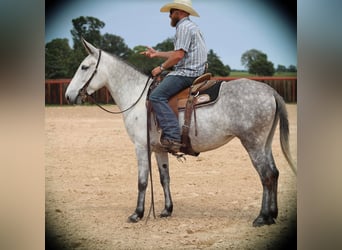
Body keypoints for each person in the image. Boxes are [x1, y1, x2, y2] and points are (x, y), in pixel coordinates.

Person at [141, 0, 207, 153]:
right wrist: (156, 54)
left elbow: (178, 56)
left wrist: (161, 67)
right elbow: (178, 52)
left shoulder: (183, 27)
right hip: (195, 70)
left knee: (156, 96)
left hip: (187, 72)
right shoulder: (192, 27)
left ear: (179, 12)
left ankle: (172, 137)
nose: (169, 16)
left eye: (171, 12)